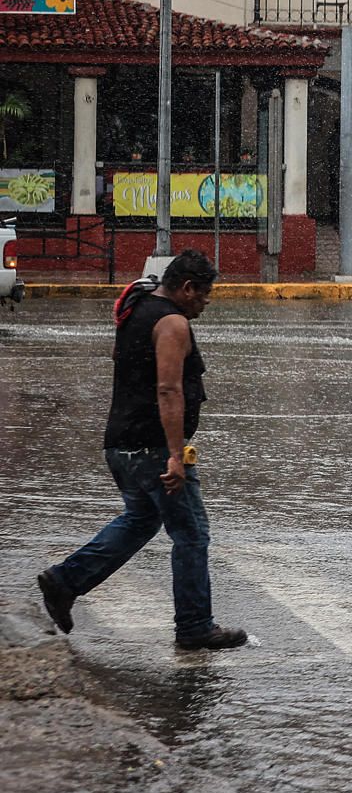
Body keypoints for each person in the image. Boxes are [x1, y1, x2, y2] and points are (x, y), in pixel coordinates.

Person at [36, 251, 249, 651]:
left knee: (141, 519)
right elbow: (167, 389)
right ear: (187, 289)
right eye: (204, 296)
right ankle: (194, 627)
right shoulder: (172, 323)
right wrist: (174, 453)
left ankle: (65, 581)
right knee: (191, 533)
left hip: (121, 441)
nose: (205, 304)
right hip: (152, 447)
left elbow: (124, 363)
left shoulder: (137, 308)